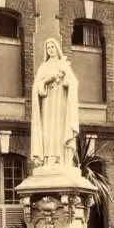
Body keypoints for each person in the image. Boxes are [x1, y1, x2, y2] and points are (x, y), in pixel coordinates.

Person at [31, 38, 79, 167]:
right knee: (49, 129)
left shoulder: (63, 64)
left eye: (52, 47)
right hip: (48, 103)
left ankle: (61, 157)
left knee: (60, 128)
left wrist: (64, 77)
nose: (51, 50)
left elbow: (73, 83)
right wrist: (47, 80)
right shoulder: (44, 66)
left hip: (61, 102)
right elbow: (37, 88)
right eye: (48, 48)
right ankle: (49, 157)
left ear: (57, 49)